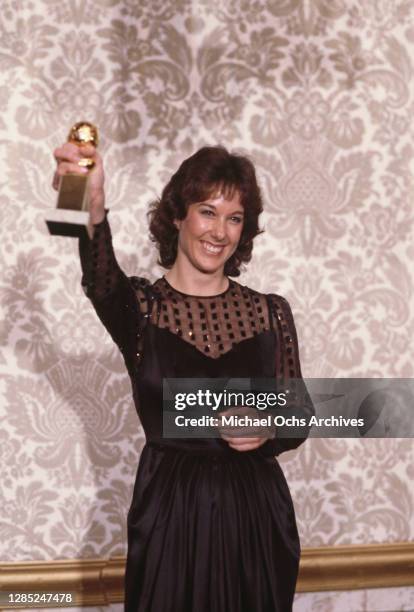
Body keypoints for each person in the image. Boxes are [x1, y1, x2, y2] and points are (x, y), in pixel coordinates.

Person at [52, 142, 314, 612]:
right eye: (207, 211)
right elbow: (101, 279)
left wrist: (269, 426)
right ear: (177, 216)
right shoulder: (140, 311)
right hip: (169, 515)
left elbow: (300, 414)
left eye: (234, 218)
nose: (219, 231)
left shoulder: (270, 312)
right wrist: (91, 210)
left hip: (254, 518)